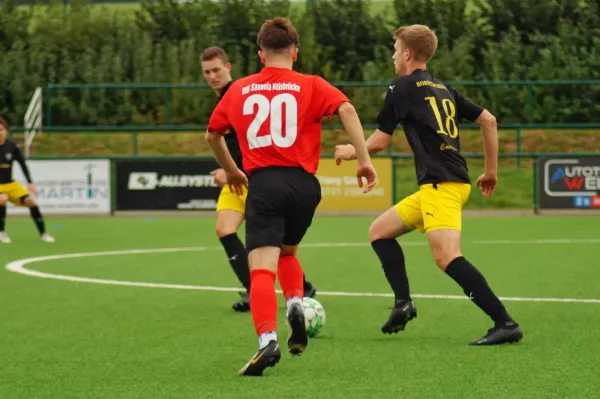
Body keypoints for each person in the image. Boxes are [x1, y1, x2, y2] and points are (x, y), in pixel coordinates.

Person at [206, 17, 377, 376]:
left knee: (261, 271)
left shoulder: (238, 90)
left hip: (265, 185)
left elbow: (212, 135)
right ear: (295, 53)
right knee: (288, 252)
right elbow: (347, 109)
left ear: (260, 54)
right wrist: (363, 159)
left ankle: (267, 340)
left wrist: (233, 171)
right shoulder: (311, 84)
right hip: (305, 186)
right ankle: (296, 303)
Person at [335, 24, 523, 346]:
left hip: (443, 185)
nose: (394, 57)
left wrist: (352, 151)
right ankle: (403, 303)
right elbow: (488, 121)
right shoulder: (443, 88)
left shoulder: (401, 86)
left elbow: (381, 139)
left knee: (447, 257)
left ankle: (505, 323)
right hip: (439, 186)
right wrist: (490, 172)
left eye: (395, 50)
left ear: (407, 54)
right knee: (379, 232)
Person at [201, 46, 318, 312]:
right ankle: (258, 290)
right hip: (238, 179)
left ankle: (298, 286)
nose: (212, 76)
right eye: (207, 72)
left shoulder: (239, 94)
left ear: (228, 67)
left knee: (268, 242)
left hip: (254, 177)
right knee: (225, 229)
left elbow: (255, 140)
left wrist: (229, 169)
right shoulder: (225, 97)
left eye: (217, 70)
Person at [0, 117, 55, 244]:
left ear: (6, 131)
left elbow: (22, 165)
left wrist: (30, 182)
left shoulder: (12, 147)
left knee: (31, 202)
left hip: (10, 184)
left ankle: (44, 233)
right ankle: (2, 233)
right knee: (2, 199)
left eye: (1, 129)